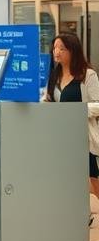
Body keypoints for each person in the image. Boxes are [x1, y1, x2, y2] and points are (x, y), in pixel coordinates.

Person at [44, 32, 99, 220]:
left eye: (62, 48)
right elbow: (50, 100)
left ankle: (88, 211)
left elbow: (97, 104)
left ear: (72, 51)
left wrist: (77, 111)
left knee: (90, 177)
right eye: (54, 48)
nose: (56, 52)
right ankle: (80, 213)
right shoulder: (54, 74)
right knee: (68, 175)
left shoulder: (87, 75)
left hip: (81, 135)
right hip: (60, 136)